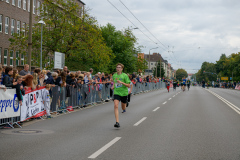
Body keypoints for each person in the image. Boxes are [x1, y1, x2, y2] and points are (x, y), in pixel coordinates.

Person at [111, 63, 131, 128]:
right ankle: (117, 122)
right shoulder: (114, 75)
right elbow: (114, 81)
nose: (118, 68)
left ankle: (125, 103)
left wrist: (122, 83)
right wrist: (113, 86)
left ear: (122, 69)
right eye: (117, 67)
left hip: (124, 93)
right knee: (116, 105)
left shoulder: (125, 76)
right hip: (117, 92)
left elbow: (128, 85)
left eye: (119, 67)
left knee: (123, 108)